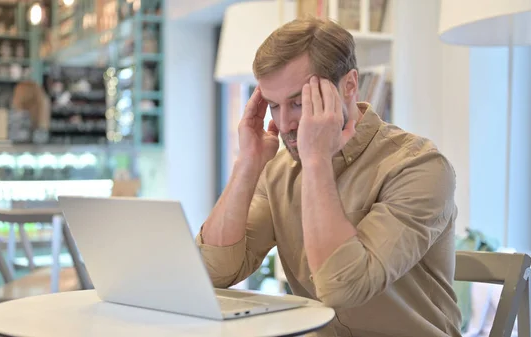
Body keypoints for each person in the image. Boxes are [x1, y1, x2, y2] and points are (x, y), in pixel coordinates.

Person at [195, 16, 462, 337]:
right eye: (274, 106)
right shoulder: (278, 172)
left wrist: (317, 160)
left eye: (299, 102)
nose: (285, 123)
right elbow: (213, 273)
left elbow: (344, 288)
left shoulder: (419, 167)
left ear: (349, 85)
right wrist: (247, 164)